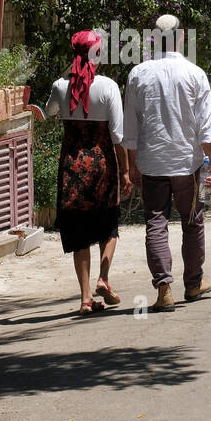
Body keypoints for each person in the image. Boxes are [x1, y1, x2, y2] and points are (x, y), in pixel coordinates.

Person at [122, 14, 211, 311]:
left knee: (156, 223)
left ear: (153, 39)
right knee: (193, 223)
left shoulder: (138, 74)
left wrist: (133, 165)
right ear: (180, 38)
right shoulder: (195, 74)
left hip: (152, 165)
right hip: (190, 166)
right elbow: (206, 127)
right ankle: (193, 284)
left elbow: (130, 129)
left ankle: (164, 289)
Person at [45, 30, 130, 315]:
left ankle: (84, 298)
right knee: (109, 225)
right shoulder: (108, 87)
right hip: (102, 166)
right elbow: (117, 136)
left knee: (80, 232)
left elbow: (49, 111)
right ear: (96, 54)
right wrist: (127, 172)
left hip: (72, 169)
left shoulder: (60, 85)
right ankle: (103, 278)